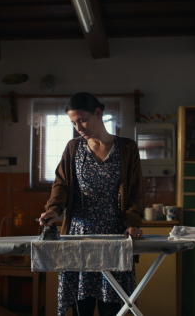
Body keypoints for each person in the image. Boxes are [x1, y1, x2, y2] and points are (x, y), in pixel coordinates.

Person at [38, 92, 145, 316]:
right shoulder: (73, 148)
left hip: (114, 236)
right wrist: (54, 210)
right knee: (81, 309)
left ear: (98, 113)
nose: (79, 127)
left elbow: (135, 192)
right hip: (78, 236)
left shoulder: (126, 148)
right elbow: (62, 185)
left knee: (113, 307)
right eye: (74, 123)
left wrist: (133, 222)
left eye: (82, 119)